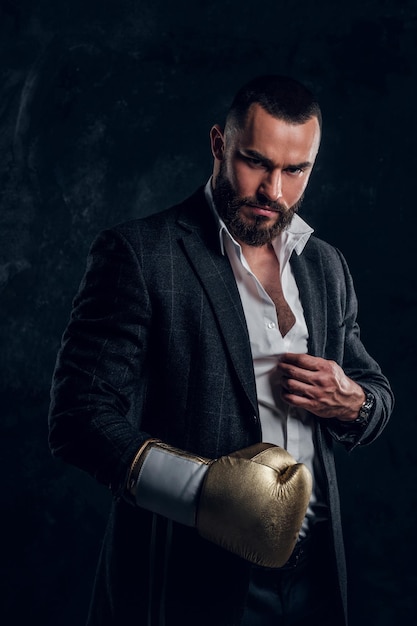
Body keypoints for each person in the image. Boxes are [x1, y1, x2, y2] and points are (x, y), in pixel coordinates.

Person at [48, 75, 394, 626]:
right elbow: (78, 418)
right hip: (191, 578)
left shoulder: (326, 264)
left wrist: (357, 405)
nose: (273, 191)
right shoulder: (139, 254)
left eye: (295, 170)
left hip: (316, 578)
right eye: (255, 162)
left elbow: (373, 391)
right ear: (219, 145)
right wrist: (207, 494)